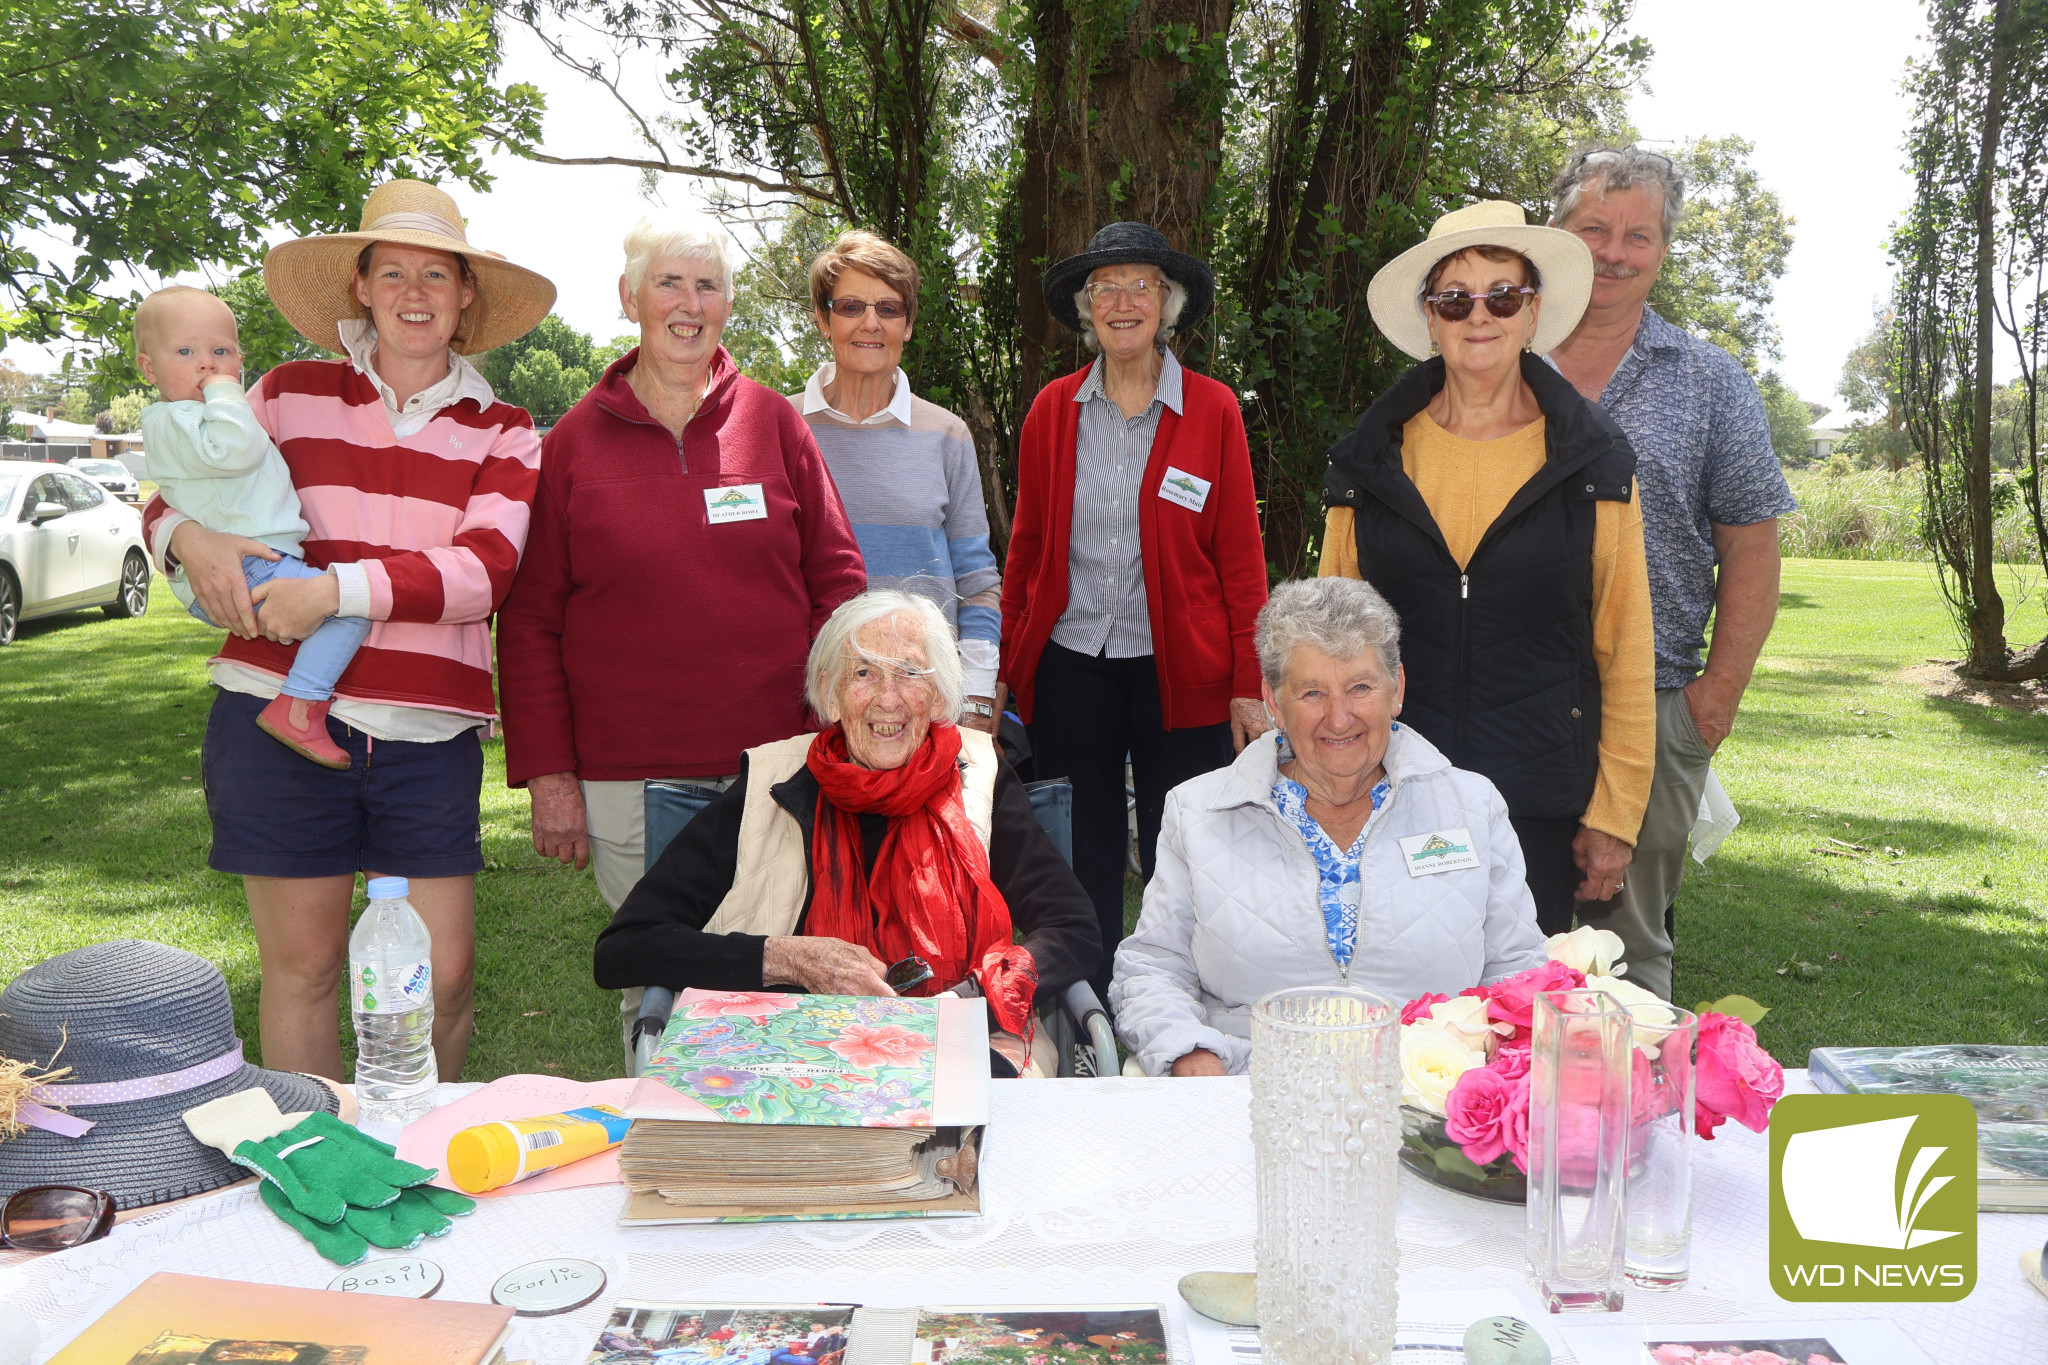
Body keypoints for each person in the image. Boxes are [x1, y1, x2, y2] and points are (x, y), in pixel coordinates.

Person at [142, 180, 551, 1082]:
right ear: (360, 287)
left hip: (427, 731)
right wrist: (185, 537)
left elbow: (483, 572)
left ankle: (418, 1148)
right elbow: (177, 487)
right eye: (393, 271)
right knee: (306, 967)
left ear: (466, 293)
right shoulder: (285, 393)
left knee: (443, 978)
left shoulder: (507, 430)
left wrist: (333, 592)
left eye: (437, 274)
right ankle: (318, 1161)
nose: (416, 292)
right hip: (269, 717)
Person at [497, 211, 867, 1058]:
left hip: (775, 762)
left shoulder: (773, 423)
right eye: (669, 282)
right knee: (658, 978)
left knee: (775, 966)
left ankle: (766, 1155)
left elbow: (839, 584)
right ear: (630, 297)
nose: (688, 303)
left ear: (728, 305)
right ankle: (663, 1151)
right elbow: (528, 620)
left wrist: (833, 725)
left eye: (707, 285)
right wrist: (551, 775)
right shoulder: (574, 445)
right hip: (629, 773)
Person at [1319, 200, 1655, 936]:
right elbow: (1329, 646)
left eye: (1503, 294)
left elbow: (1624, 649)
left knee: (1517, 1022)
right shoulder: (1367, 463)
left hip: (1536, 804)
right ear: (1430, 319)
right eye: (1455, 298)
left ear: (1533, 314)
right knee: (1400, 1009)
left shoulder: (1592, 464)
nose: (1481, 315)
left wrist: (1616, 814)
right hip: (1392, 793)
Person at [593, 591, 1100, 1075]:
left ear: (939, 695)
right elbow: (626, 947)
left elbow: (1073, 930)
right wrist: (786, 958)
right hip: (794, 1052)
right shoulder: (770, 783)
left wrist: (969, 999)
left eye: (910, 673)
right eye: (864, 673)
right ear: (830, 691)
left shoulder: (981, 776)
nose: (889, 698)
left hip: (963, 1044)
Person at [1109, 578, 1547, 1076]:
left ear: (1397, 689)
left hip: (1427, 1107)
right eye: (1312, 692)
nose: (1339, 719)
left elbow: (1519, 971)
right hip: (1250, 1098)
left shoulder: (1472, 807)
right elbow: (1153, 968)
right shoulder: (1198, 812)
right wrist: (1191, 1053)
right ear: (1272, 703)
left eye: (1360, 687)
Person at [1544, 146, 1797, 1001]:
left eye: (1638, 235)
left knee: (1629, 953)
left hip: (1652, 706)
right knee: (1499, 936)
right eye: (1593, 229)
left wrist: (1712, 703)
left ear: (1663, 249)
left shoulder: (1711, 379)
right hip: (1508, 695)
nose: (1614, 251)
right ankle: (1485, 1127)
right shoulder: (1497, 360)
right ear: (1557, 234)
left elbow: (1753, 550)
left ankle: (1627, 1128)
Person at [1001, 222, 1270, 1004]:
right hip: (1071, 662)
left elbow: (1241, 561)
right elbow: (1027, 549)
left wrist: (1249, 681)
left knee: (1177, 845)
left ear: (1167, 303)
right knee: (1079, 852)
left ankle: (1174, 1007)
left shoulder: (1214, 411)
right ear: (1088, 308)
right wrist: (1017, 669)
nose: (1123, 302)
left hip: (1179, 669)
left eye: (1140, 286)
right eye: (1105, 288)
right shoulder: (1053, 411)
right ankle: (1086, 1008)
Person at [134, 286, 371, 768]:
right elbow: (238, 451)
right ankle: (300, 709)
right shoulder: (180, 419)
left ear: (239, 355)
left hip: (254, 563)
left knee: (341, 602)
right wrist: (225, 388)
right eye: (186, 352)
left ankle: (299, 704)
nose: (206, 364)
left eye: (220, 352)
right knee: (349, 604)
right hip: (247, 569)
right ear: (149, 368)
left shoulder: (197, 418)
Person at [790, 230, 1002, 734]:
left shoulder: (947, 435)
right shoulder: (778, 427)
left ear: (908, 325)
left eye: (889, 308)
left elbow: (977, 581)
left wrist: (974, 698)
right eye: (850, 306)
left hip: (924, 711)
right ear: (823, 319)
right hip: (810, 712)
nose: (870, 323)